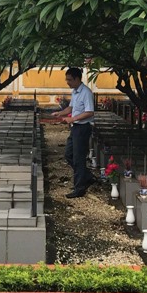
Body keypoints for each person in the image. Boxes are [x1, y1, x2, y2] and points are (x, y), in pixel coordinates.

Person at [51, 67, 95, 198]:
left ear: (77, 79)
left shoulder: (86, 92)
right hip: (75, 127)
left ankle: (79, 188)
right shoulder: (75, 91)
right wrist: (60, 113)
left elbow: (89, 112)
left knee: (78, 158)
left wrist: (73, 118)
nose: (67, 82)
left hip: (83, 128)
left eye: (69, 80)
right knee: (69, 154)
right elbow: (71, 107)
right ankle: (87, 176)